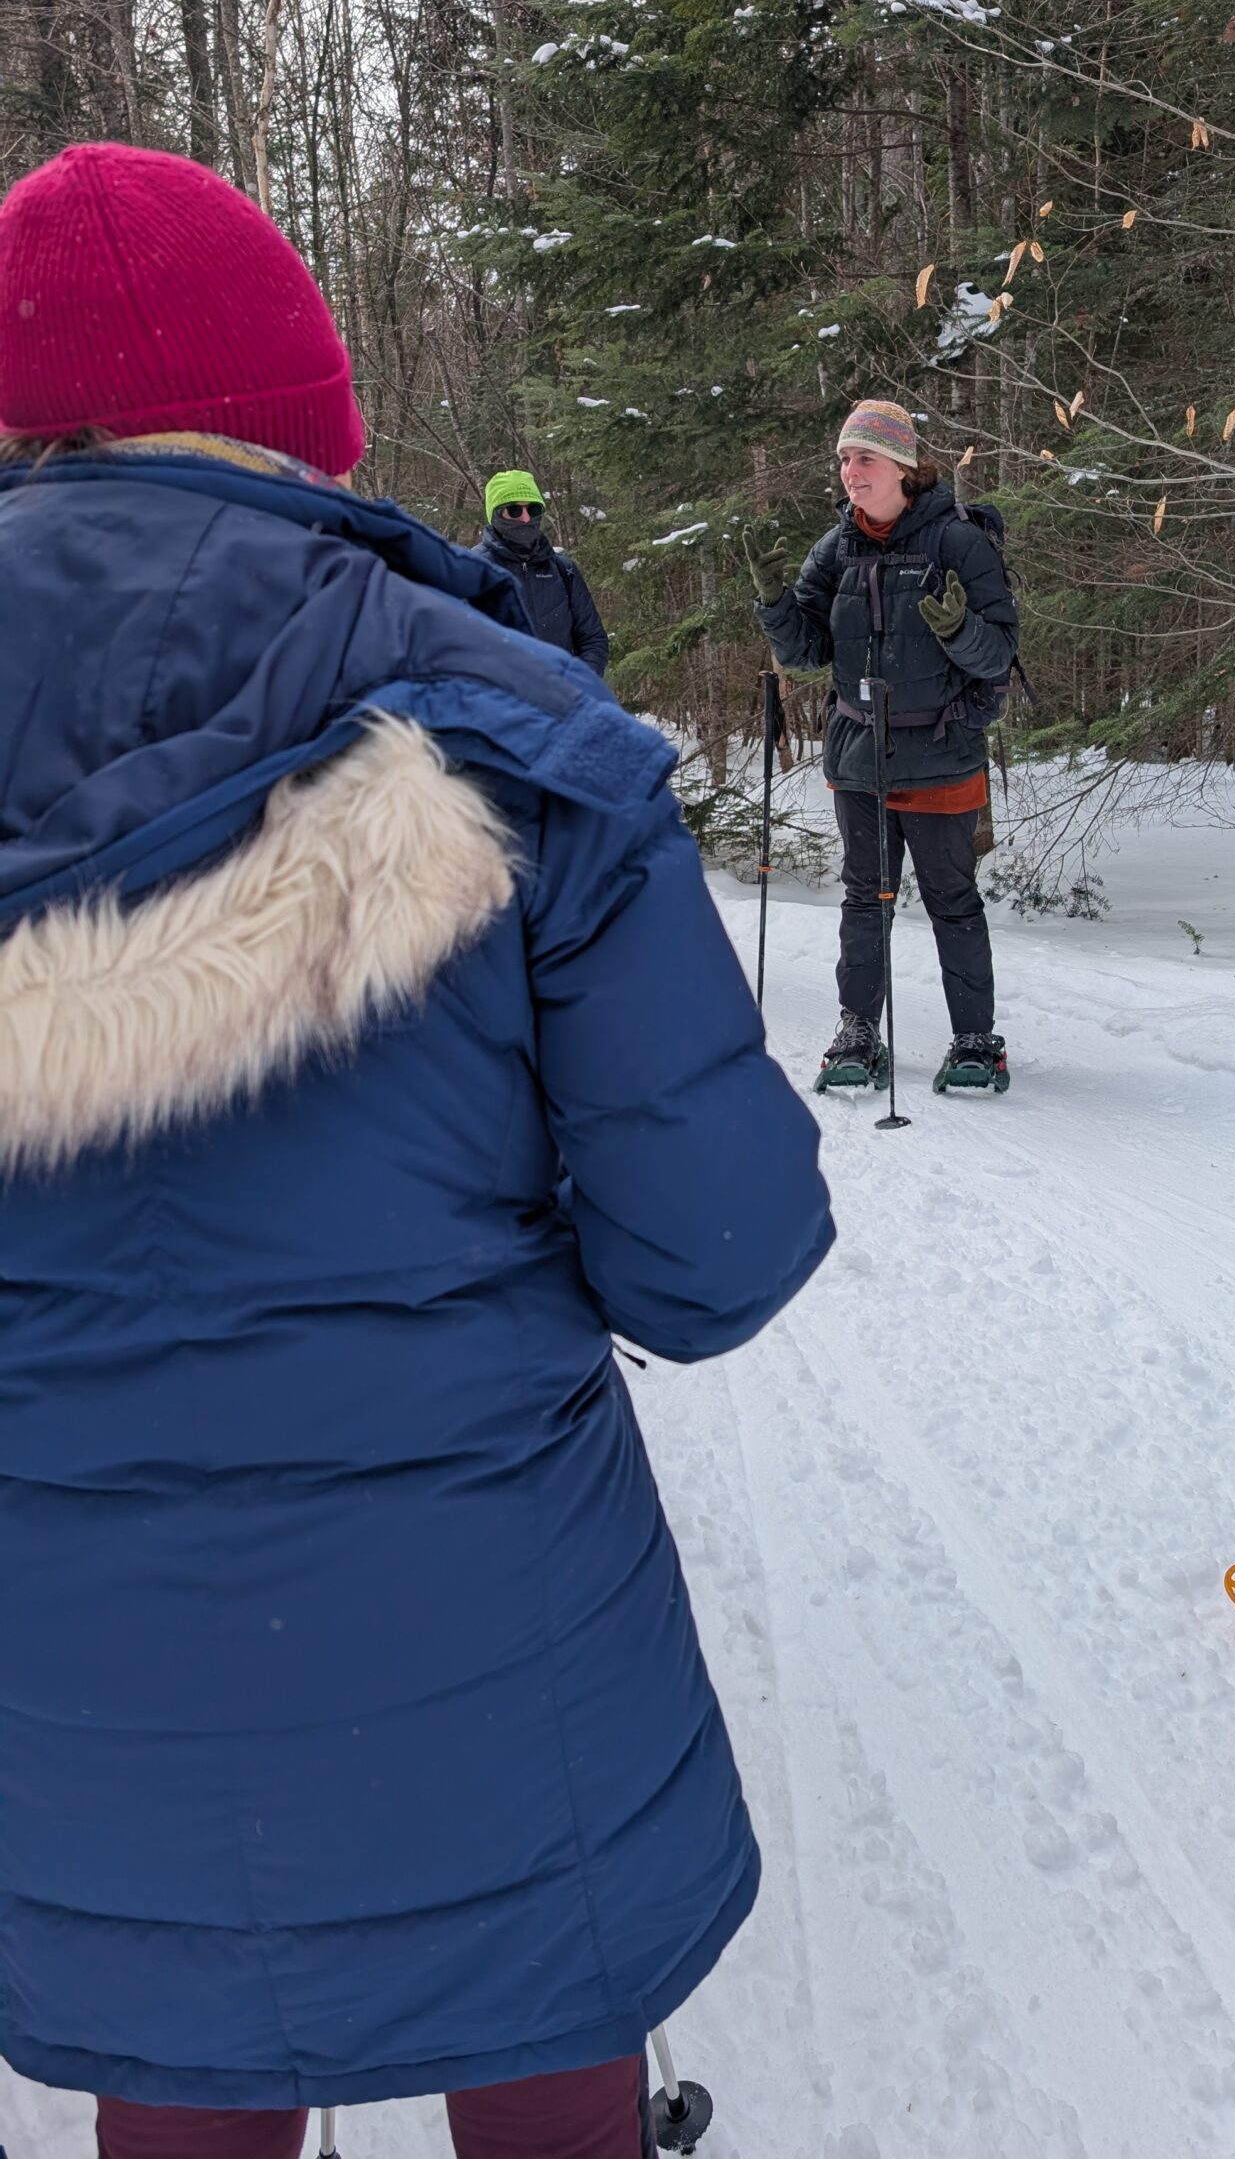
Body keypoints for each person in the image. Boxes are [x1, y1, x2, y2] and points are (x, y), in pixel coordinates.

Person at [0, 141, 834, 2157]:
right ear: (302, 417)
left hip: (67, 1649)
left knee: (177, 2053)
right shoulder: (501, 717)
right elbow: (715, 1255)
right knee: (539, 2040)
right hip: (482, 1615)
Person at [746, 398, 1019, 1092]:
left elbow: (998, 656)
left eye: (864, 457)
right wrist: (775, 603)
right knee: (865, 898)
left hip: (942, 754)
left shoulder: (958, 542)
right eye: (844, 458)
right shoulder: (836, 546)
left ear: (902, 466)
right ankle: (859, 1031)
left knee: (952, 900)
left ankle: (975, 1039)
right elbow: (806, 652)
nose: (850, 471)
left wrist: (959, 630)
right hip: (859, 755)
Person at [475, 467, 611, 675]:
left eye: (533, 509)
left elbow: (592, 639)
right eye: (514, 510)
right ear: (495, 514)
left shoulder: (563, 570)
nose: (526, 518)